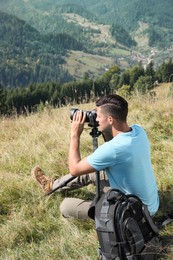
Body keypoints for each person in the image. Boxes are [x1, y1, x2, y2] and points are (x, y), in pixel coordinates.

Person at [32, 94, 159, 220]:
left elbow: (74, 169)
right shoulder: (138, 130)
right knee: (92, 172)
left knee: (65, 206)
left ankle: (98, 210)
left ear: (110, 120)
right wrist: (103, 122)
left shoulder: (113, 149)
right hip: (151, 205)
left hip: (134, 215)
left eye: (98, 115)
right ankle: (51, 185)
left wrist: (75, 134)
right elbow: (113, 143)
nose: (96, 119)